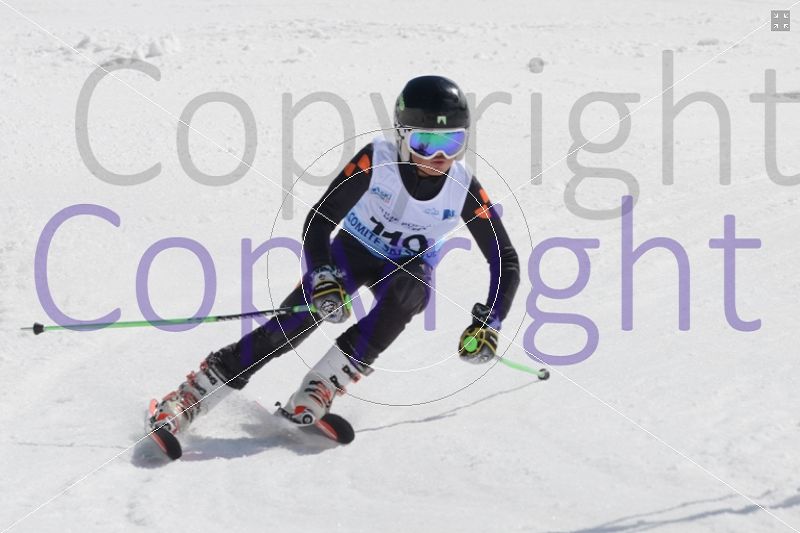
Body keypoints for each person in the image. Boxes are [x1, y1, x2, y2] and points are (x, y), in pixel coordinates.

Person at [149, 75, 520, 437]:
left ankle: (322, 385)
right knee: (289, 328)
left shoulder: (461, 186)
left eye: (453, 142)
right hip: (352, 251)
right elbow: (320, 219)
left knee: (410, 293)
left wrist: (491, 320)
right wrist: (323, 274)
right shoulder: (377, 161)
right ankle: (194, 394)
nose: (440, 157)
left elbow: (505, 258)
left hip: (405, 268)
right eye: (425, 143)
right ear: (402, 136)